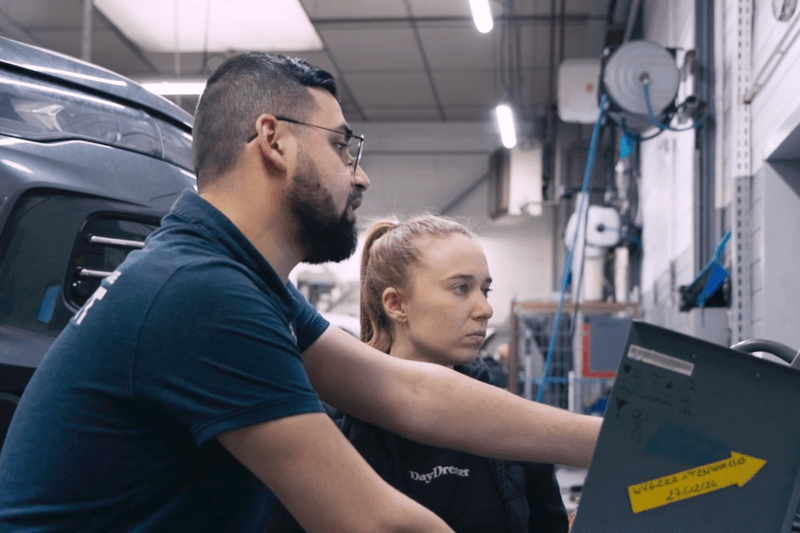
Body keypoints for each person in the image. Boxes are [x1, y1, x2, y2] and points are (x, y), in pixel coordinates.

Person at [0, 52, 601, 533]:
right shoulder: (200, 293)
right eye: (343, 146)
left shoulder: (235, 278)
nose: (359, 174)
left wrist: (609, 442)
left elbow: (407, 393)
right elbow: (372, 522)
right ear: (274, 140)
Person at [268, 215, 569, 533]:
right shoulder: (332, 428)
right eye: (461, 288)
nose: (485, 309)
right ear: (396, 304)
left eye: (485, 290)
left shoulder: (511, 427)